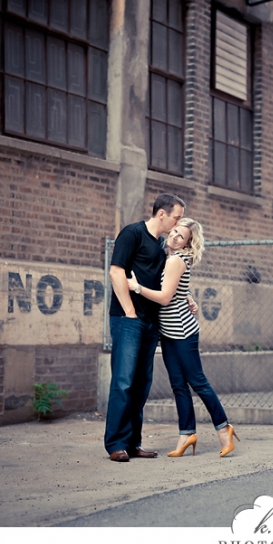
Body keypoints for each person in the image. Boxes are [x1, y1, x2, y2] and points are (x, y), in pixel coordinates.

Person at [127, 218, 240, 458]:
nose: (175, 236)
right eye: (175, 231)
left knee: (197, 382)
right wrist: (188, 295)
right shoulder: (170, 258)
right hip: (168, 331)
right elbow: (176, 286)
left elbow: (165, 297)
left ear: (188, 243)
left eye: (181, 236)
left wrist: (136, 287)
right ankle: (186, 434)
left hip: (182, 331)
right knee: (178, 385)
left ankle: (224, 429)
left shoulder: (176, 260)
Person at [105, 193, 186, 462]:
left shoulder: (162, 246)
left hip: (151, 323)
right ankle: (116, 444)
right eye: (176, 216)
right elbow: (116, 272)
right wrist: (129, 311)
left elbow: (166, 282)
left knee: (141, 385)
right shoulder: (132, 234)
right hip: (128, 320)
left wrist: (189, 297)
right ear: (162, 214)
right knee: (123, 381)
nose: (178, 222)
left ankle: (132, 443)